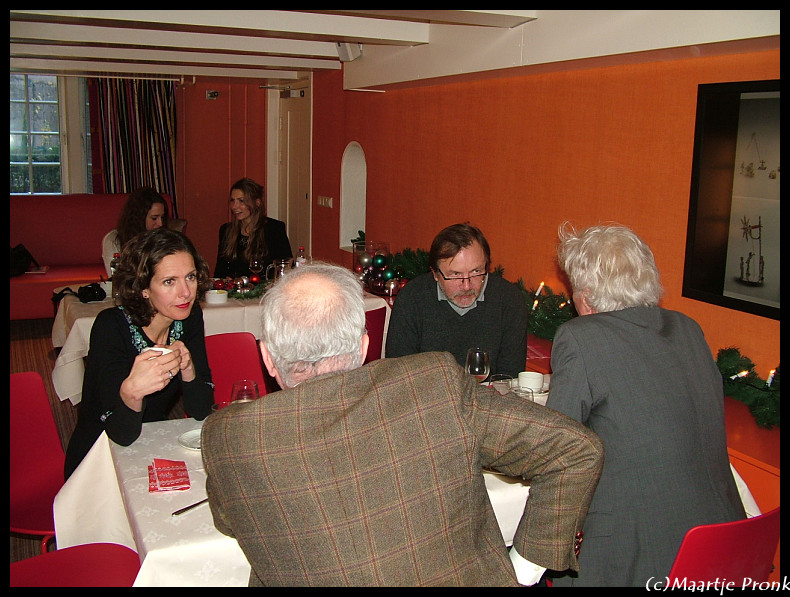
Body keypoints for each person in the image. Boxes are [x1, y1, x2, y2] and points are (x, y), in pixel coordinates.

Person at [201, 262, 604, 587]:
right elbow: (575, 448)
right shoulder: (432, 383)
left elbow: (230, 521)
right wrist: (524, 569)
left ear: (268, 358)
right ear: (364, 346)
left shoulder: (228, 436)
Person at [545, 222, 746, 587]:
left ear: (585, 297)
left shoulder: (581, 337)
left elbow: (555, 446)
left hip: (637, 557)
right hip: (724, 544)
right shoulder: (688, 329)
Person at [65, 228, 214, 480]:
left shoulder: (188, 317)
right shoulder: (111, 327)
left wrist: (189, 370)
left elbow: (202, 411)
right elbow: (120, 434)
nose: (186, 292)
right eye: (169, 281)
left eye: (190, 277)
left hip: (154, 439)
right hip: (99, 453)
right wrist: (133, 392)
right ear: (144, 288)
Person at [385, 223, 527, 377]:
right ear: (435, 274)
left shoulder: (509, 300)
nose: (466, 286)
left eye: (476, 271)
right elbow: (398, 376)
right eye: (455, 275)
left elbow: (509, 378)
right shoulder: (411, 299)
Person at [214, 177, 292, 279]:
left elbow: (286, 266)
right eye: (232, 200)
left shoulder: (274, 229)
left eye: (241, 201)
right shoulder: (226, 230)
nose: (234, 206)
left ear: (257, 203)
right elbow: (219, 272)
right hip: (234, 288)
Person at [102, 187, 169, 278]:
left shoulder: (164, 238)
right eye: (154, 218)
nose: (160, 223)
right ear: (139, 218)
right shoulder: (113, 240)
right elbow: (117, 278)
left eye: (162, 217)